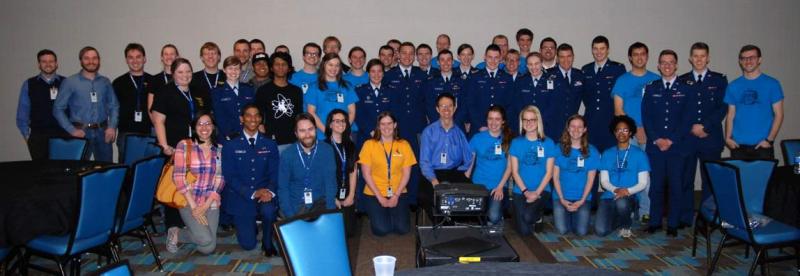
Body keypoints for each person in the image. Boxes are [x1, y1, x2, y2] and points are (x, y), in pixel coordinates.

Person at [152, 58, 212, 247]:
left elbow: (205, 118)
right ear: (173, 74)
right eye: (180, 72)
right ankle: (173, 227)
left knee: (193, 184)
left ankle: (189, 222)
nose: (185, 75)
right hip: (175, 147)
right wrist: (164, 145)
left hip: (196, 147)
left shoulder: (197, 91)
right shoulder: (165, 92)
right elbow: (158, 121)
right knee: (176, 186)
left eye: (188, 72)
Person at [641, 50, 690, 236]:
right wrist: (656, 139)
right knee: (656, 187)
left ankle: (673, 224)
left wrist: (671, 140)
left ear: (676, 65)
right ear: (658, 66)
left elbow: (687, 119)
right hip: (656, 147)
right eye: (663, 62)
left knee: (676, 187)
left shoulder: (685, 89)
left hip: (677, 147)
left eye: (671, 62)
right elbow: (646, 117)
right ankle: (654, 221)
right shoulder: (652, 88)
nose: (667, 65)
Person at [221, 104, 279, 257]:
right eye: (248, 115)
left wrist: (269, 191)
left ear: (260, 119)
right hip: (242, 196)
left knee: (269, 211)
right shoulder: (230, 143)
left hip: (265, 193)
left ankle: (267, 241)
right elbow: (230, 176)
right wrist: (252, 193)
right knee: (248, 245)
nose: (253, 119)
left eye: (256, 115)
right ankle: (249, 224)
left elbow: (275, 172)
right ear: (242, 119)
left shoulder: (270, 143)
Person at [611, 42, 659, 223]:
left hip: (651, 134)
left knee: (646, 174)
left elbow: (661, 110)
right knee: (629, 173)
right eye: (635, 54)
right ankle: (629, 208)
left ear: (647, 56)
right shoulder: (622, 80)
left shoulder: (656, 79)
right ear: (630, 58)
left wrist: (648, 130)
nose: (639, 57)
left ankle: (647, 210)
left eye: (643, 54)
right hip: (628, 135)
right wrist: (635, 129)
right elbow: (618, 110)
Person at [678, 42, 727, 205]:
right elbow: (678, 109)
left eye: (703, 56)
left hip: (711, 138)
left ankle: (707, 218)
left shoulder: (719, 80)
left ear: (708, 58)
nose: (699, 59)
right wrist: (691, 127)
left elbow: (723, 107)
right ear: (690, 59)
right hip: (688, 138)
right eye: (696, 56)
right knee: (686, 180)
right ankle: (685, 217)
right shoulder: (682, 81)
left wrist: (705, 126)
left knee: (710, 180)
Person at [53, 46, 119, 162]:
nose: (91, 62)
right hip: (80, 133)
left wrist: (112, 127)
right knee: (78, 170)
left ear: (99, 60)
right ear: (81, 61)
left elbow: (114, 106)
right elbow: (58, 109)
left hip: (102, 133)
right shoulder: (70, 82)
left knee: (106, 168)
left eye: (94, 58)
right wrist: (71, 130)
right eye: (87, 58)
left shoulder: (105, 82)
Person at [172, 112, 224, 254]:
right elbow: (178, 177)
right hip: (188, 200)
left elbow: (220, 180)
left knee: (207, 248)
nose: (204, 127)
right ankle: (176, 233)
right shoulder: (184, 145)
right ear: (194, 127)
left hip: (210, 202)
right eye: (200, 124)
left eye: (208, 123)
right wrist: (195, 207)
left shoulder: (219, 149)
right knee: (205, 239)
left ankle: (187, 233)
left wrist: (206, 205)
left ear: (213, 127)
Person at [359, 111, 417, 235]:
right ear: (378, 126)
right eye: (383, 124)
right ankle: (378, 215)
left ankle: (388, 213)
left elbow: (406, 174)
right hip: (374, 192)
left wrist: (395, 196)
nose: (386, 127)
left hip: (398, 191)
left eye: (389, 123)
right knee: (381, 230)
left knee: (402, 229)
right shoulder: (369, 145)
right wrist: (380, 197)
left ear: (395, 125)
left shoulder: (404, 145)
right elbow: (366, 174)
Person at [418, 93, 473, 220]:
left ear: (454, 108)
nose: (446, 109)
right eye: (443, 106)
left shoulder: (459, 133)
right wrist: (434, 181)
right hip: (433, 173)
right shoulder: (429, 131)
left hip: (454, 172)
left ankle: (451, 220)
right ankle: (444, 221)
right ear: (437, 109)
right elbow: (424, 162)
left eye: (449, 106)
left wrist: (463, 173)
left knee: (465, 197)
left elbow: (468, 157)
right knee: (426, 196)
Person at [724, 44, 784, 159]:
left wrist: (769, 140)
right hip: (738, 146)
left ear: (759, 60)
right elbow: (731, 115)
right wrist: (727, 138)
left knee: (764, 178)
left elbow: (779, 115)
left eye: (752, 57)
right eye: (744, 58)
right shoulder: (733, 86)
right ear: (740, 61)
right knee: (739, 178)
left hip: (762, 146)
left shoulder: (772, 84)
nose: (748, 61)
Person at [385, 42, 426, 205]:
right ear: (398, 55)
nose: (408, 56)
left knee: (415, 163)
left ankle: (414, 199)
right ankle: (397, 198)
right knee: (395, 164)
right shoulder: (388, 76)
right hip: (397, 129)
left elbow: (426, 101)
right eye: (404, 53)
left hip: (417, 128)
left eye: (411, 53)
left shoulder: (421, 75)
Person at [595, 115, 650, 238]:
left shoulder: (639, 154)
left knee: (622, 203)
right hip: (609, 196)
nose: (621, 133)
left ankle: (626, 225)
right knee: (601, 231)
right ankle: (622, 216)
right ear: (614, 132)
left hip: (628, 196)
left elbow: (643, 183)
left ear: (630, 132)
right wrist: (616, 190)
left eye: (625, 130)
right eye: (618, 130)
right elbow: (604, 181)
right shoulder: (607, 153)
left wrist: (626, 191)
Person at [278, 113, 337, 218]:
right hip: (295, 205)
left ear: (316, 129)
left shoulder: (327, 150)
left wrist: (330, 213)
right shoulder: (287, 154)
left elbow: (330, 183)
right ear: (296, 133)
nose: (307, 135)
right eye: (302, 131)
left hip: (320, 203)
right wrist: (290, 217)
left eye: (310, 129)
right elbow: (283, 188)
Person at [509, 105, 556, 235]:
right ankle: (525, 215)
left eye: (532, 120)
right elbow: (515, 172)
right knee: (524, 232)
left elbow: (549, 173)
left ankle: (538, 216)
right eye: (525, 120)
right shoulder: (516, 143)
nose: (529, 123)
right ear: (521, 122)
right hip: (520, 190)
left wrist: (536, 193)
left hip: (541, 189)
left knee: (528, 217)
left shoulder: (548, 143)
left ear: (538, 121)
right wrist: (525, 192)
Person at [552, 115, 600, 236]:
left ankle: (579, 215)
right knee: (562, 230)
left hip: (582, 198)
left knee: (581, 232)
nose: (576, 130)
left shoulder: (592, 151)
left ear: (585, 130)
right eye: (573, 126)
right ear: (568, 128)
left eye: (580, 127)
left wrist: (581, 200)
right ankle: (568, 214)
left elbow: (590, 180)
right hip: (561, 197)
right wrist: (562, 199)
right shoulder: (558, 149)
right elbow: (555, 178)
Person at [17, 49, 68, 160]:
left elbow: (73, 109)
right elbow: (23, 112)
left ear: (56, 63)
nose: (48, 64)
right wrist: (27, 136)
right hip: (38, 136)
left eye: (51, 61)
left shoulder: (66, 83)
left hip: (62, 135)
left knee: (61, 171)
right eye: (44, 61)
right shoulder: (29, 84)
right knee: (41, 172)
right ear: (39, 64)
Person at [467, 106, 513, 225]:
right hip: (479, 185)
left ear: (503, 121)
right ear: (486, 120)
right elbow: (470, 162)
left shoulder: (508, 139)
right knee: (475, 215)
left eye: (497, 119)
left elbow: (510, 167)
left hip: (498, 186)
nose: (493, 122)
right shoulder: (477, 138)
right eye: (490, 118)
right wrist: (465, 181)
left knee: (493, 217)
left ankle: (497, 217)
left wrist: (500, 187)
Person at [581, 35, 626, 152]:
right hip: (591, 121)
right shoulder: (586, 70)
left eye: (602, 48)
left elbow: (622, 96)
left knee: (610, 159)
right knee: (591, 157)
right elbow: (585, 96)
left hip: (610, 121)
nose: (598, 52)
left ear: (608, 50)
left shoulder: (618, 69)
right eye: (595, 48)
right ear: (592, 50)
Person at [113, 43, 155, 161]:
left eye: (138, 57)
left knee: (149, 168)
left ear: (144, 59)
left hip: (149, 132)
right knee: (127, 169)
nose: (135, 61)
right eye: (131, 57)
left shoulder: (153, 81)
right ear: (126, 60)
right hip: (126, 133)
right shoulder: (118, 82)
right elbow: (113, 109)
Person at [255, 52, 303, 151]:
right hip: (271, 141)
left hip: (293, 141)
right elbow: (258, 115)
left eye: (284, 64)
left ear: (289, 68)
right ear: (271, 68)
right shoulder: (263, 91)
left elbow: (299, 116)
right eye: (277, 64)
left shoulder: (296, 91)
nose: (280, 67)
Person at [306, 53, 358, 136]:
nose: (334, 68)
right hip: (323, 134)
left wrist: (343, 130)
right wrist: (327, 132)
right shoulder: (314, 87)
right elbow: (311, 112)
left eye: (337, 65)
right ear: (323, 65)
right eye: (330, 65)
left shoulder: (347, 86)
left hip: (345, 134)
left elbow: (352, 112)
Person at [324, 109, 358, 236]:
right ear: (330, 124)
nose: (341, 124)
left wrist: (351, 196)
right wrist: (332, 197)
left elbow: (353, 172)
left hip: (346, 192)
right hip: (330, 193)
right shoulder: (324, 146)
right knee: (334, 233)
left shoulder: (350, 145)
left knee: (349, 232)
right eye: (337, 121)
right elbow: (323, 176)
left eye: (343, 121)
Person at [467, 44, 513, 136]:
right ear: (485, 57)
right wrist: (480, 125)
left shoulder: (507, 78)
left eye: (496, 58)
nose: (493, 61)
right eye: (490, 57)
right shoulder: (475, 77)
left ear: (500, 58)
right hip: (479, 128)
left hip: (501, 129)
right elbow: (470, 104)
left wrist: (501, 124)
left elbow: (510, 105)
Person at [423, 50, 468, 132]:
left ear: (453, 62)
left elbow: (464, 105)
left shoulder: (462, 81)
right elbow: (429, 106)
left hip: (457, 125)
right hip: (437, 126)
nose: (446, 63)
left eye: (448, 59)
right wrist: (441, 123)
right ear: (438, 62)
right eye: (442, 60)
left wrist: (453, 122)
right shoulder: (431, 81)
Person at [212, 56, 255, 141]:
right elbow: (220, 118)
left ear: (240, 70)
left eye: (237, 68)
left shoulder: (248, 89)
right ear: (224, 70)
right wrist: (233, 135)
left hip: (248, 136)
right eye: (230, 68)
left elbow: (253, 112)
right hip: (227, 137)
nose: (233, 71)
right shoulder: (217, 92)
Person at [512, 52, 555, 136]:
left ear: (541, 64)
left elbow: (553, 104)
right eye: (530, 64)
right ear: (527, 66)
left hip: (546, 125)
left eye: (536, 64)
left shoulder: (551, 80)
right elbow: (517, 103)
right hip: (526, 125)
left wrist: (538, 120)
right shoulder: (521, 81)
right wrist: (528, 120)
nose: (534, 67)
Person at [355, 59, 392, 147]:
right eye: (373, 71)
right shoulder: (360, 91)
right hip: (366, 136)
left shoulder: (390, 91)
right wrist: (371, 131)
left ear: (383, 73)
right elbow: (358, 115)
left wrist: (384, 131)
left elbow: (393, 113)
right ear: (368, 73)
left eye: (379, 71)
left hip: (387, 135)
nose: (376, 75)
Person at [550, 43, 585, 137]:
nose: (566, 60)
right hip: (553, 126)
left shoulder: (580, 75)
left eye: (569, 56)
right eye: (562, 57)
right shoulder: (548, 76)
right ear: (557, 58)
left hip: (573, 128)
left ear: (573, 57)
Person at [149, 44, 179, 118]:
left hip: (179, 125)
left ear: (177, 57)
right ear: (162, 58)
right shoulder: (154, 80)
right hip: (159, 124)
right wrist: (157, 125)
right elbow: (150, 109)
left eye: (172, 54)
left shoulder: (183, 78)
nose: (169, 57)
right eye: (166, 54)